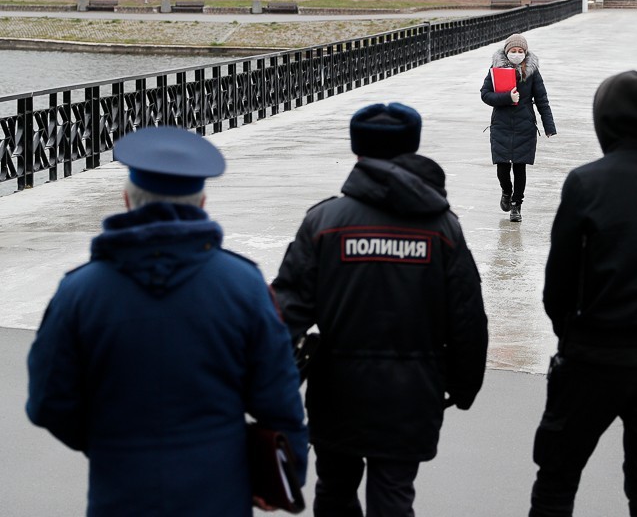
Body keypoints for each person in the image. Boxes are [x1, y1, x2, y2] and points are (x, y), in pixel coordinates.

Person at [26, 127, 308, 517]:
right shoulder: (245, 286)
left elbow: (47, 402)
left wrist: (107, 443)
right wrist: (287, 475)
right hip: (218, 493)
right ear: (202, 202)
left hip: (120, 494)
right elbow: (279, 398)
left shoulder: (79, 291)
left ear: (127, 200)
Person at [272, 102, 489, 517]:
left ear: (356, 151)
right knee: (394, 494)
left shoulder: (325, 221)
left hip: (337, 388)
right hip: (413, 391)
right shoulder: (443, 228)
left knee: (334, 490)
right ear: (413, 148)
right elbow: (467, 318)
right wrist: (464, 387)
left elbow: (288, 311)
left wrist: (268, 385)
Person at [529, 71, 637, 517]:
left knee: (557, 480)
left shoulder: (586, 183)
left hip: (592, 353)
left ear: (602, 121)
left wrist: (569, 331)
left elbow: (558, 283)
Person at [480, 33, 557, 222]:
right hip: (501, 125)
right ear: (507, 52)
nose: (517, 54)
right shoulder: (495, 69)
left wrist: (549, 125)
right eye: (513, 51)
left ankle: (517, 205)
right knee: (502, 167)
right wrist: (507, 98)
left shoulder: (532, 72)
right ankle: (506, 191)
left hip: (525, 125)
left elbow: (542, 99)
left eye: (520, 51)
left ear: (525, 52)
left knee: (520, 167)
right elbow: (485, 94)